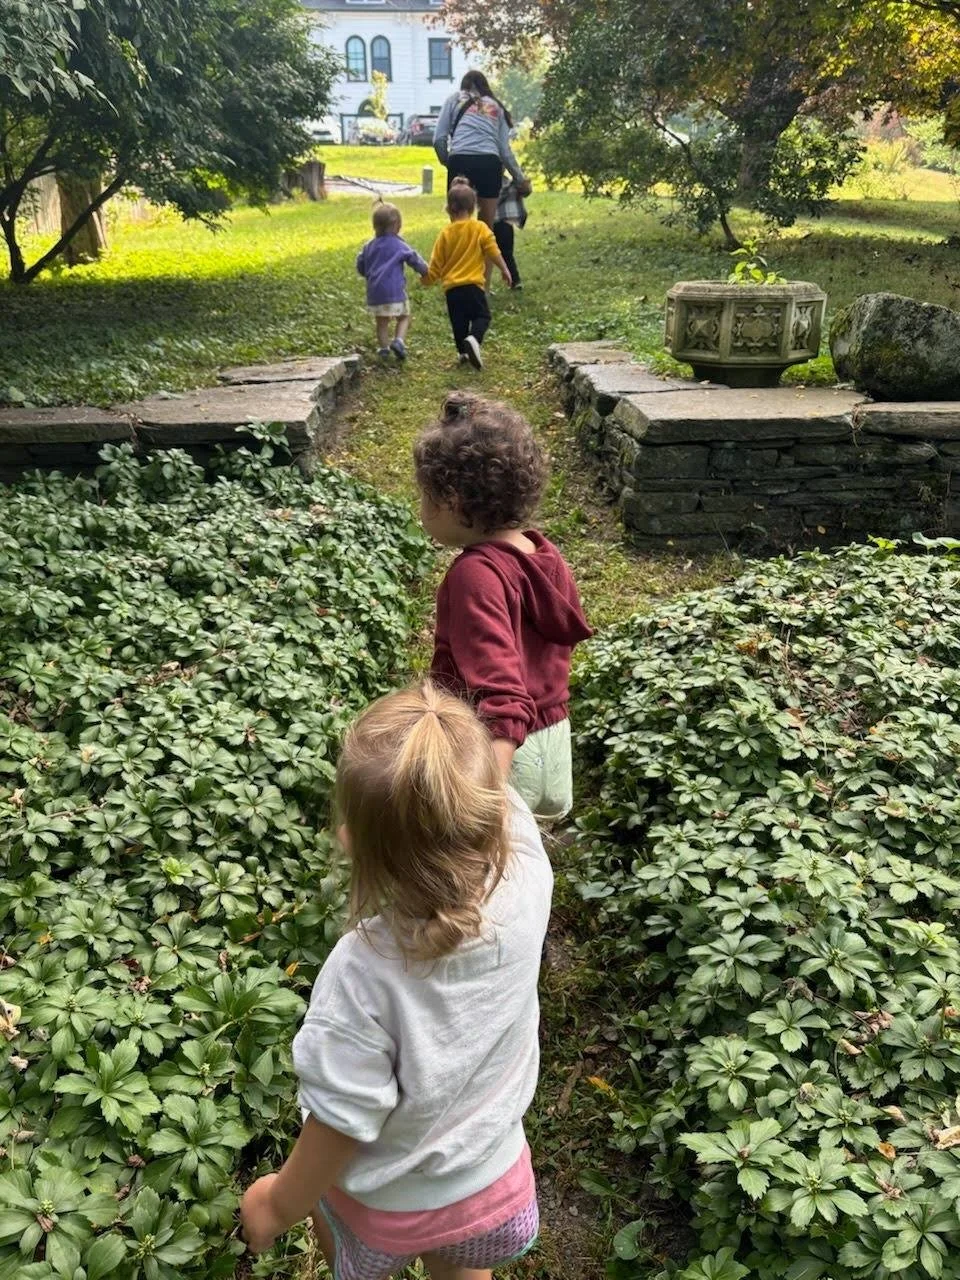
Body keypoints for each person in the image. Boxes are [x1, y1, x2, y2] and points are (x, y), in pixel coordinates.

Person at [240, 683, 552, 1280]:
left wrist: (277, 1204)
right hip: (492, 1189)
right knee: (463, 1269)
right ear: (488, 810)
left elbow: (340, 1121)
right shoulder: (531, 874)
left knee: (338, 1235)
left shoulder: (363, 975)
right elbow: (496, 799)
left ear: (353, 843)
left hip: (384, 1214)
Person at [414, 394, 592, 820]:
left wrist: (484, 790)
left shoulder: (475, 575)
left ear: (452, 501)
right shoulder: (541, 553)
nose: (420, 509)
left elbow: (502, 693)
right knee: (527, 850)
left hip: (500, 752)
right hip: (552, 740)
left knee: (484, 865)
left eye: (423, 497)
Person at [434, 69, 527, 287]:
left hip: (459, 162)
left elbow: (439, 140)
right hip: (488, 164)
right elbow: (504, 150)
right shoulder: (496, 106)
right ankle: (481, 287)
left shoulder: (453, 100)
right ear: (485, 86)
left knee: (458, 228)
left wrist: (451, 162)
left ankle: (457, 280)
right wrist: (519, 178)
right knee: (486, 230)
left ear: (464, 86)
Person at [422, 177, 511, 370]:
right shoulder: (479, 228)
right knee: (483, 317)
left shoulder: (445, 233)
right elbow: (492, 250)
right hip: (473, 286)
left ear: (449, 208)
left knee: (458, 322)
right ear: (474, 207)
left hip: (452, 290)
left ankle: (463, 352)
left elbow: (436, 264)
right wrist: (504, 269)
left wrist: (427, 279)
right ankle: (474, 339)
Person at [356, 201, 428, 362]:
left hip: (375, 294)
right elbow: (414, 258)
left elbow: (360, 264)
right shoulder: (398, 244)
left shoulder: (369, 246)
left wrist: (368, 274)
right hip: (394, 292)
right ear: (396, 225)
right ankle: (399, 341)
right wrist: (425, 271)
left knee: (381, 322)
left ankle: (383, 349)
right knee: (404, 316)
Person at [493, 176, 530, 291]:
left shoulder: (507, 182)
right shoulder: (509, 184)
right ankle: (514, 280)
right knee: (504, 254)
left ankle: (514, 280)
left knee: (504, 253)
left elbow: (526, 191)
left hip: (501, 223)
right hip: (500, 223)